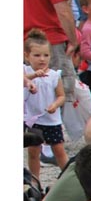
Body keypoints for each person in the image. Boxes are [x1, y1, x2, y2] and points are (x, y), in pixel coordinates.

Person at [24, 0, 79, 120]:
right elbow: (63, 10)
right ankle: (52, 139)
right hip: (51, 43)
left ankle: (36, 137)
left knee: (29, 94)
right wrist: (73, 39)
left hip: (25, 44)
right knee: (58, 90)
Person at [24, 29, 68, 180]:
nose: (42, 59)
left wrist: (55, 105)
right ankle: (35, 180)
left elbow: (61, 95)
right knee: (33, 152)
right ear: (27, 56)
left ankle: (67, 178)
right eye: (36, 55)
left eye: (46, 55)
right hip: (33, 120)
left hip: (52, 120)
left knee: (59, 150)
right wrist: (33, 76)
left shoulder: (54, 75)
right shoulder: (26, 71)